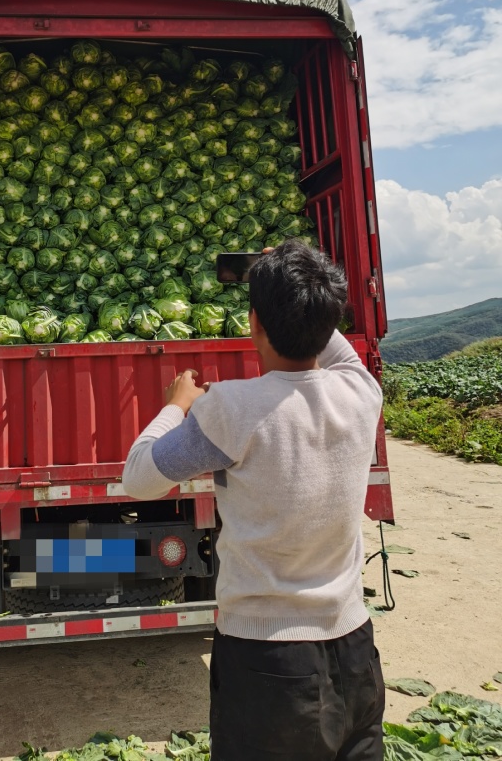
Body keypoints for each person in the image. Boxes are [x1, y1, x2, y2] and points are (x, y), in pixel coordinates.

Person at [122, 240, 385, 760]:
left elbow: (139, 478)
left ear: (253, 324)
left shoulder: (233, 409)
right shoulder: (361, 391)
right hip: (355, 651)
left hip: (269, 663)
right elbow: (333, 344)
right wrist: (294, 276)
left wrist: (177, 406)